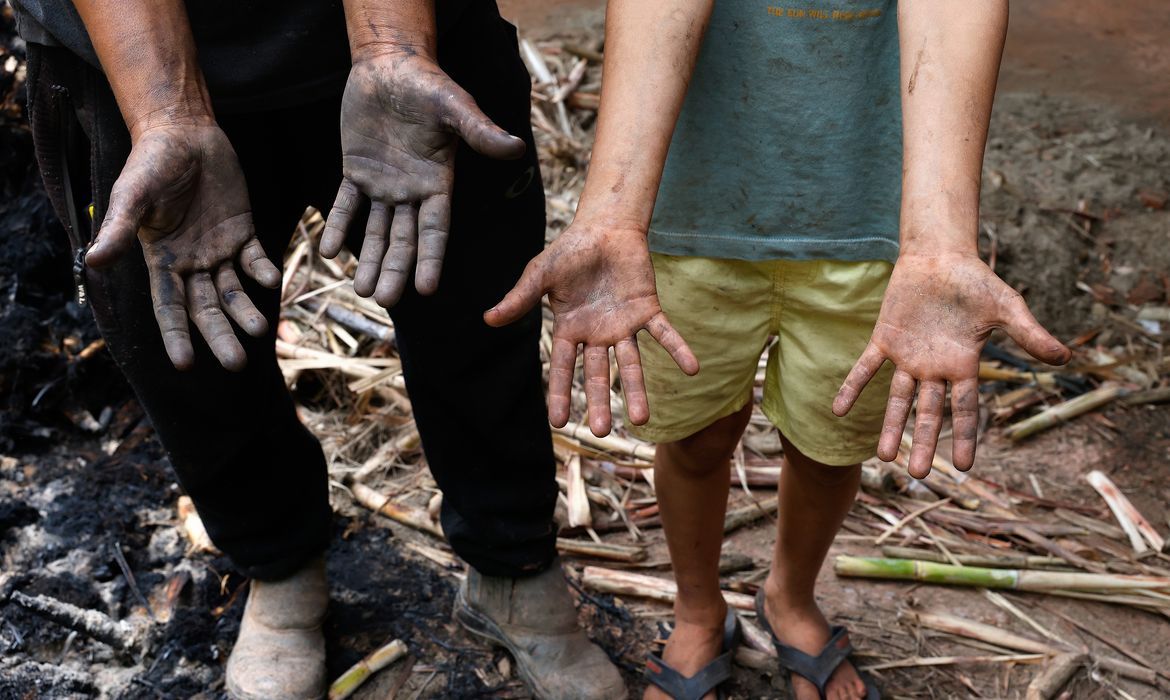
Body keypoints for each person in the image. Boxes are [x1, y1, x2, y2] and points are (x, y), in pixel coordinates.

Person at [12, 1, 626, 698]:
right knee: (186, 340)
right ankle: (279, 565)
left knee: (478, 305)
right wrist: (165, 110)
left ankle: (513, 563)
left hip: (421, 38)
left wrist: (392, 47)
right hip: (121, 50)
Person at [487, 0, 1072, 698]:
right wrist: (613, 213)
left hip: (882, 229)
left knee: (830, 447)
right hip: (684, 214)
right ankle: (698, 608)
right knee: (698, 439)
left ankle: (790, 599)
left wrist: (942, 244)